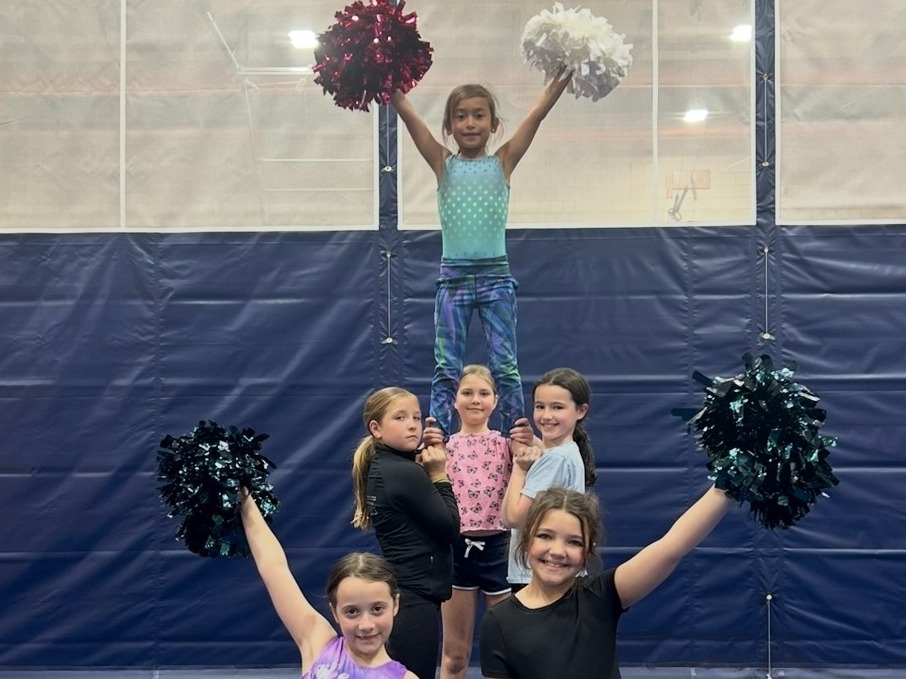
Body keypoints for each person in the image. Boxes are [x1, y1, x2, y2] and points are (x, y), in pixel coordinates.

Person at [390, 67, 573, 438]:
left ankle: (516, 433)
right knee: (446, 365)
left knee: (505, 365)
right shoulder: (443, 164)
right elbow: (410, 117)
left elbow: (535, 115)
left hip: (495, 278)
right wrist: (386, 83)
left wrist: (561, 80)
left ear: (493, 125)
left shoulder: (502, 162)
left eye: (478, 115)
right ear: (448, 126)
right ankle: (437, 434)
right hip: (453, 279)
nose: (470, 123)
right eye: (460, 117)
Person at [480, 485, 736, 678]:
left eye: (574, 542)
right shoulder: (499, 621)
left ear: (588, 551)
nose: (557, 551)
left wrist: (729, 480)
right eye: (546, 536)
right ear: (527, 540)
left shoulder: (600, 596)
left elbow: (672, 546)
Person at [239, 491, 417, 679]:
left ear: (395, 604)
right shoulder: (318, 641)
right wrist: (243, 496)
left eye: (377, 609)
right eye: (352, 612)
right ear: (335, 612)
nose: (366, 625)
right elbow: (274, 568)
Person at [352, 386, 461, 679]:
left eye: (416, 416)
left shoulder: (388, 465)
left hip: (407, 592)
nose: (412, 424)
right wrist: (439, 475)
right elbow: (450, 528)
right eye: (400, 418)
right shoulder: (404, 473)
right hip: (415, 597)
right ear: (376, 428)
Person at [437, 365, 515, 679]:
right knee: (455, 655)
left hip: (499, 549)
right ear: (454, 400)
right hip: (457, 551)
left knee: (505, 654)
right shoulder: (442, 447)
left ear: (495, 401)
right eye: (467, 393)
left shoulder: (507, 444)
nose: (475, 400)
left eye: (484, 393)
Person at [501, 367, 598, 590]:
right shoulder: (564, 453)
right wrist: (534, 442)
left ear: (580, 411)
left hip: (538, 575)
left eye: (557, 407)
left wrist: (520, 468)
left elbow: (513, 518)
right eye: (540, 406)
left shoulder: (556, 460)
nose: (546, 416)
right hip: (546, 574)